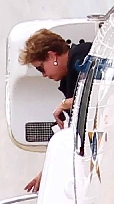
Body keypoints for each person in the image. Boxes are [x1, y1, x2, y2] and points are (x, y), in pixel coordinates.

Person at [18, 29, 92, 193]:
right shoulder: (68, 79)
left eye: (40, 68)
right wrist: (46, 171)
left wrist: (66, 104)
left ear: (52, 56)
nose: (43, 75)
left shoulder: (83, 57)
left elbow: (99, 96)